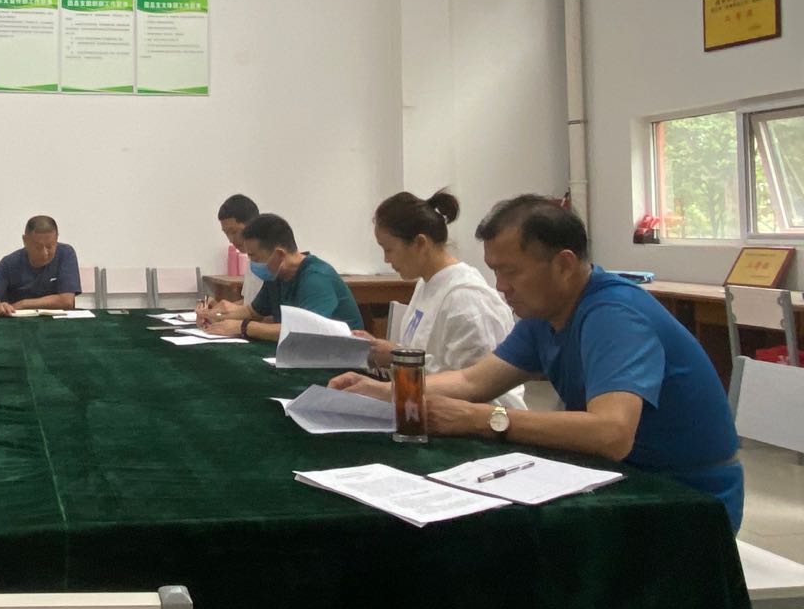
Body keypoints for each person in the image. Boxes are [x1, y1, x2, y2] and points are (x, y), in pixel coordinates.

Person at [330, 195, 745, 530]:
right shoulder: (544, 314)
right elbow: (473, 381)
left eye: (511, 272)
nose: (501, 287)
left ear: (563, 264)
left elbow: (611, 433)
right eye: (495, 272)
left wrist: (482, 420)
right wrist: (385, 392)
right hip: (620, 479)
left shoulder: (614, 314)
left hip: (686, 500)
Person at [358, 189, 524, 409]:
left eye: (389, 249)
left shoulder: (466, 299)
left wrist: (395, 357)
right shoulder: (426, 284)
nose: (386, 259)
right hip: (428, 408)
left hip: (482, 419)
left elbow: (476, 385)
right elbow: (428, 355)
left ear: (420, 243)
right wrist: (390, 353)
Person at [199, 213, 364, 340]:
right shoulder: (276, 275)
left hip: (340, 361)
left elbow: (304, 331)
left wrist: (243, 327)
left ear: (279, 254)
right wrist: (214, 317)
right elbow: (252, 312)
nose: (252, 264)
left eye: (254, 257)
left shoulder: (316, 278)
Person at [0, 216, 82, 316]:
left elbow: (66, 301)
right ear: (25, 240)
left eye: (50, 246)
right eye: (38, 247)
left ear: (57, 238)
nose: (45, 253)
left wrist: (23, 304)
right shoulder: (10, 263)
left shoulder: (66, 253)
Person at [197, 193, 263, 316]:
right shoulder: (252, 261)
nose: (231, 240)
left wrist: (240, 324)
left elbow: (268, 314)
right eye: (226, 233)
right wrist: (217, 309)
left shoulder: (271, 265)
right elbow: (249, 304)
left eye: (234, 231)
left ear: (254, 226)